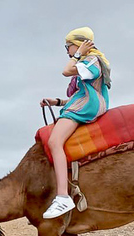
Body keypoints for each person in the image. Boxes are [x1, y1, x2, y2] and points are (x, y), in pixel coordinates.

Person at [40, 26, 112, 219]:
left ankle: (63, 196)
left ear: (79, 45)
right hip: (84, 103)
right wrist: (57, 102)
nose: (68, 51)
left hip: (87, 105)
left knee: (55, 142)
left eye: (68, 47)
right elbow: (80, 93)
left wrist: (78, 54)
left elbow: (66, 71)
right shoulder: (91, 62)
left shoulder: (92, 60)